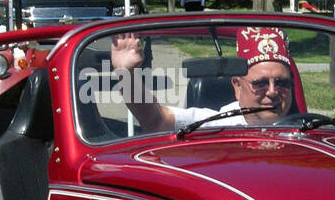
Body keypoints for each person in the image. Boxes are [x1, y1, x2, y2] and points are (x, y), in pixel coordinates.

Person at [109, 26, 296, 131]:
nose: (272, 92)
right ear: (237, 87)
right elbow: (155, 119)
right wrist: (126, 74)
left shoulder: (307, 130)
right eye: (260, 83)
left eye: (282, 83)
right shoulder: (218, 126)